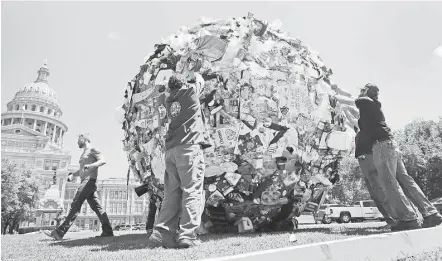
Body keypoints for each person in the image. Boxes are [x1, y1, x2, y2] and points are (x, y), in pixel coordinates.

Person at [337, 84, 442, 231]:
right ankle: (431, 213)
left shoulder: (366, 101)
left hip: (382, 147)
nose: (360, 92)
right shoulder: (370, 111)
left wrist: (334, 91)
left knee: (389, 184)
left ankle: (409, 218)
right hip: (390, 145)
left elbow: (350, 100)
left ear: (367, 91)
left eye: (362, 90)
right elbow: (353, 115)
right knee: (406, 181)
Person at [148, 74, 206, 249]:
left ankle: (162, 232)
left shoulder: (167, 100)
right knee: (192, 190)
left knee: (172, 192)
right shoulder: (189, 92)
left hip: (171, 150)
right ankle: (187, 235)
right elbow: (200, 81)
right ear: (183, 84)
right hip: (189, 148)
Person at [44, 134, 114, 240]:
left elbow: (103, 160)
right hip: (86, 181)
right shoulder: (84, 153)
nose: (77, 142)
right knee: (97, 207)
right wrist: (73, 174)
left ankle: (59, 232)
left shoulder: (93, 149)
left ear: (84, 139)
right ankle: (108, 231)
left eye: (78, 140)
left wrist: (91, 166)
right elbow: (82, 170)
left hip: (89, 180)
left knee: (76, 203)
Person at [354, 126, 397, 229]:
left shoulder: (366, 128)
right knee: (374, 194)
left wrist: (343, 109)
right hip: (364, 162)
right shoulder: (358, 133)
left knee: (380, 192)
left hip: (370, 159)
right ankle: (390, 220)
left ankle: (395, 220)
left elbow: (352, 116)